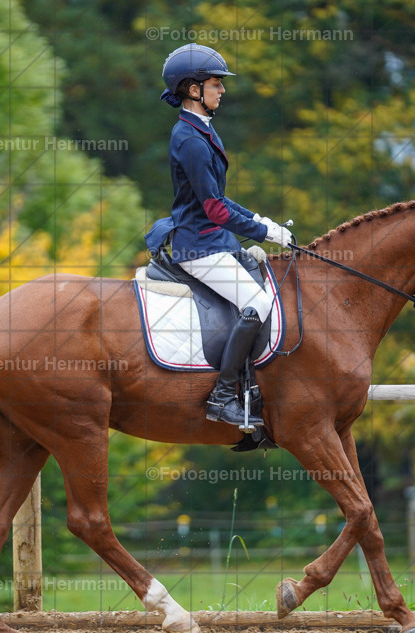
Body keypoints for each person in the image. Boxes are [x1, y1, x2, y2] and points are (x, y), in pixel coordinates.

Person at [150, 43, 294, 428]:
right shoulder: (190, 139)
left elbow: (217, 197)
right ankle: (223, 395)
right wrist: (263, 232)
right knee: (258, 304)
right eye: (216, 84)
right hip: (198, 247)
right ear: (193, 89)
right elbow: (214, 210)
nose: (222, 90)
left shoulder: (202, 130)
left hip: (213, 241)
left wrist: (260, 220)